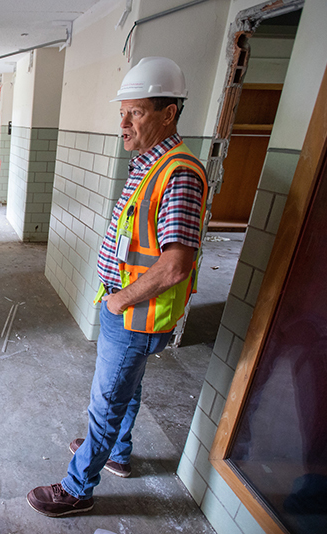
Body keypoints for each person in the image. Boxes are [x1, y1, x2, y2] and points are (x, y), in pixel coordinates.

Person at [28, 57, 208, 517]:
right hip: (128, 309)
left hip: (136, 312)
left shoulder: (178, 172)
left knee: (106, 402)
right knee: (126, 388)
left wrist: (119, 301)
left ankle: (77, 488)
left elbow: (176, 263)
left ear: (169, 114)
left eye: (137, 112)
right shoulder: (150, 162)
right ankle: (117, 453)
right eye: (122, 112)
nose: (123, 123)